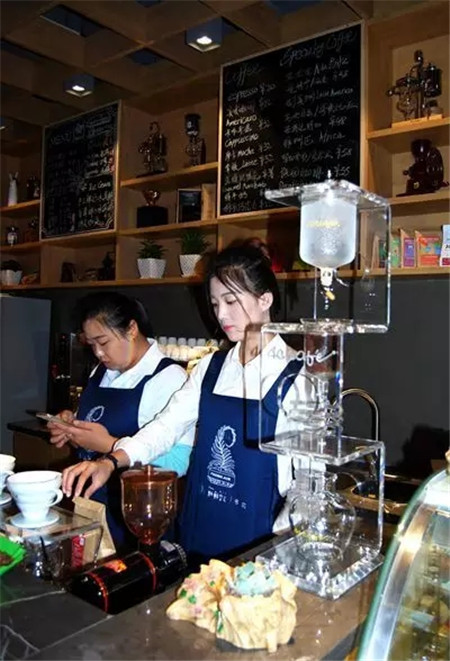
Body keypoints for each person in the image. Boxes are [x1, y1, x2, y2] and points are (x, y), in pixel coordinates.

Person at [57, 246, 308, 563]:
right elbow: (165, 427)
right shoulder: (210, 368)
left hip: (259, 538)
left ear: (265, 299)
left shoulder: (297, 377)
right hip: (199, 525)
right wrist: (110, 462)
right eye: (215, 304)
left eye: (231, 301)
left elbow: (308, 480)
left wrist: (281, 547)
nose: (221, 315)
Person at [48, 292, 193, 551]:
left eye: (103, 342)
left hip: (136, 515)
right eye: (91, 344)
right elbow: (93, 421)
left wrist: (109, 445)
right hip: (89, 504)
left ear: (132, 329)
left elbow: (178, 463)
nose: (98, 352)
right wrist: (71, 425)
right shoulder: (102, 371)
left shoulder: (169, 378)